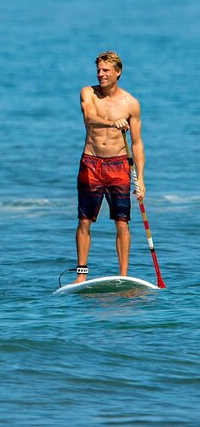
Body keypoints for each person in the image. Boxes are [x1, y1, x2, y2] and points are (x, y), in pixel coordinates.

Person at [74, 51, 144, 283]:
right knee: (84, 220)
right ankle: (81, 275)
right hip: (91, 162)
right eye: (99, 70)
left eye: (105, 70)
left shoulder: (131, 103)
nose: (100, 74)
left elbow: (137, 144)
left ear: (118, 72)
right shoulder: (89, 92)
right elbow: (89, 117)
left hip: (118, 165)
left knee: (122, 222)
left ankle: (123, 276)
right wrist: (112, 123)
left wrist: (141, 179)